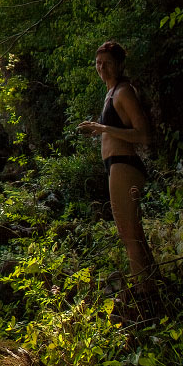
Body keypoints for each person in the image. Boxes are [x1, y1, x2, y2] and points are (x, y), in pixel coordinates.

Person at [76, 41, 154, 294]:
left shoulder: (123, 92)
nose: (102, 68)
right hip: (115, 165)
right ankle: (152, 284)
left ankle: (142, 292)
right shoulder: (110, 92)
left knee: (127, 231)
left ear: (119, 65)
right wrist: (98, 132)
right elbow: (117, 132)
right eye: (98, 63)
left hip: (125, 165)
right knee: (132, 231)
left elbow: (143, 135)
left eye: (108, 63)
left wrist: (102, 128)